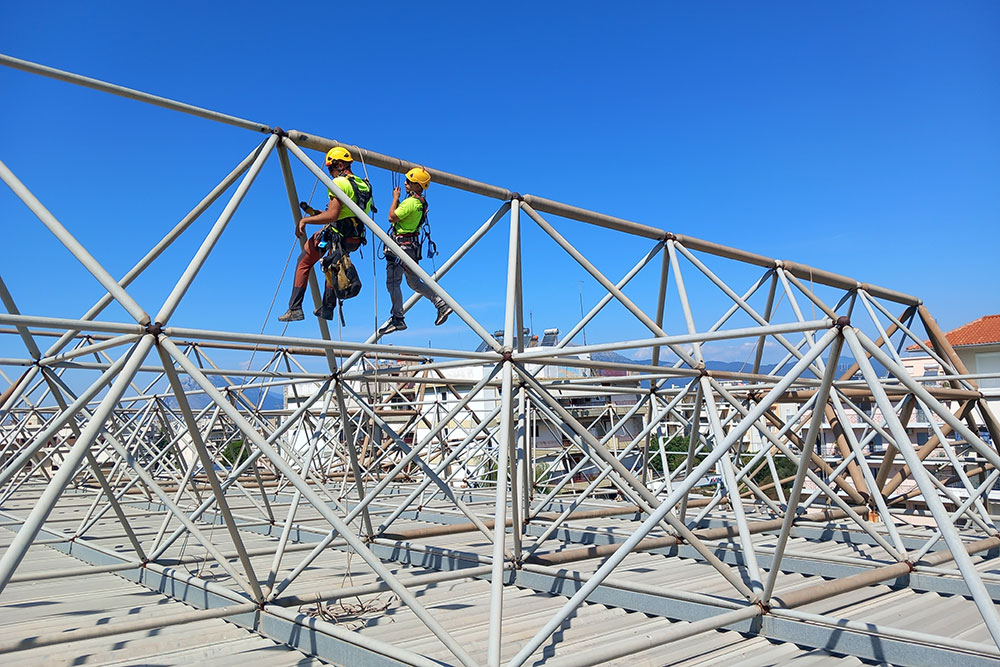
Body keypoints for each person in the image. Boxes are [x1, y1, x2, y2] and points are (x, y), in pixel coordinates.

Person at [278, 147, 373, 322]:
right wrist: (315, 213)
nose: (330, 173)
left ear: (340, 165)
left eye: (330, 169)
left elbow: (333, 216)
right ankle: (327, 308)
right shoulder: (364, 185)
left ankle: (295, 308)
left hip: (337, 236)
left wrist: (305, 221)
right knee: (332, 265)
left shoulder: (339, 183)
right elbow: (344, 213)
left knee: (303, 262)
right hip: (353, 238)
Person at [378, 167, 452, 335]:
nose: (405, 183)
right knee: (414, 283)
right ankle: (441, 304)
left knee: (393, 283)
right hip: (410, 246)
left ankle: (398, 318)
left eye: (409, 181)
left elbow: (391, 217)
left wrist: (395, 199)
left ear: (417, 185)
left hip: (399, 247)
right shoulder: (421, 203)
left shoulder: (410, 202)